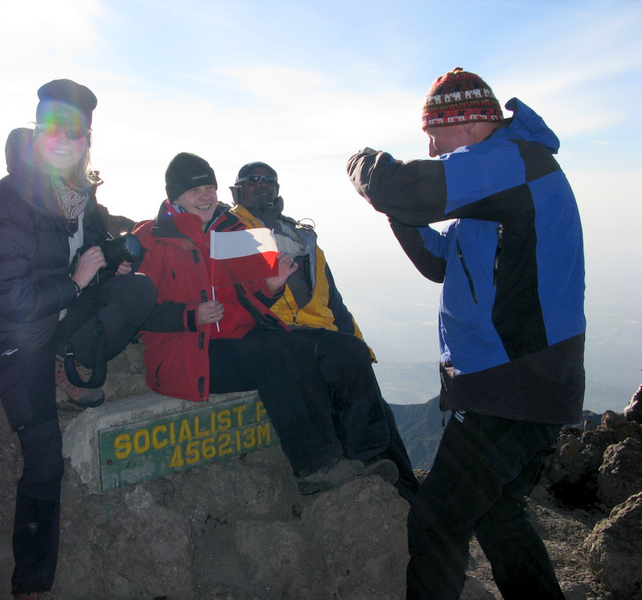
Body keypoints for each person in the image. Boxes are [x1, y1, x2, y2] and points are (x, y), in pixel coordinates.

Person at [347, 68, 585, 600]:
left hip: (513, 381)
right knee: (497, 514)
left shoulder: (511, 162)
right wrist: (399, 212)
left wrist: (363, 163)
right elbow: (440, 261)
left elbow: (398, 185)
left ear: (470, 122)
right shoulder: (497, 184)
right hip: (523, 378)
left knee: (437, 520)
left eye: (435, 133)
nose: (431, 149)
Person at [0, 79, 157, 600]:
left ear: (87, 139)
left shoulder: (78, 197)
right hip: (21, 333)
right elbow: (10, 298)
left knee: (139, 290)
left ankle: (71, 359)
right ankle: (31, 585)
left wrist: (110, 264)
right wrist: (75, 281)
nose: (65, 140)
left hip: (60, 319)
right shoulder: (10, 198)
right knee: (44, 459)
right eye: (54, 128)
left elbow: (87, 247)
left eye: (76, 132)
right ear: (37, 133)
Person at [133, 152, 365, 495]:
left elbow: (248, 298)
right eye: (195, 190)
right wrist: (191, 315)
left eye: (209, 188)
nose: (205, 197)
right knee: (270, 357)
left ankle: (334, 456)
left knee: (298, 348)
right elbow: (137, 311)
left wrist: (271, 287)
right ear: (175, 197)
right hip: (185, 352)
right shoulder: (151, 238)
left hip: (233, 339)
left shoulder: (232, 230)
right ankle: (312, 467)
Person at [230, 161, 419, 498]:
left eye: (270, 179)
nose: (263, 184)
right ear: (237, 191)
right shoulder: (231, 233)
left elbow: (334, 302)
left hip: (319, 333)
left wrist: (359, 345)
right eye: (253, 179)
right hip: (276, 332)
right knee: (315, 374)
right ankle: (334, 467)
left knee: (362, 376)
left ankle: (381, 467)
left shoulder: (303, 238)